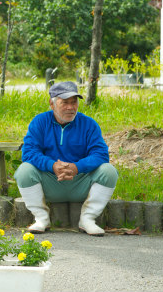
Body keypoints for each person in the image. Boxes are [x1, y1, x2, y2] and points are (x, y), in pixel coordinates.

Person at [14, 81, 118, 236]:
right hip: (51, 182)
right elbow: (29, 152)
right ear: (52, 104)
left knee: (109, 171)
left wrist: (76, 167)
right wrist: (52, 165)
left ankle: (88, 219)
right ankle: (41, 218)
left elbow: (101, 154)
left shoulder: (89, 124)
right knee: (24, 170)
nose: (71, 107)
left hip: (80, 182)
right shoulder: (40, 122)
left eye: (74, 102)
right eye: (65, 103)